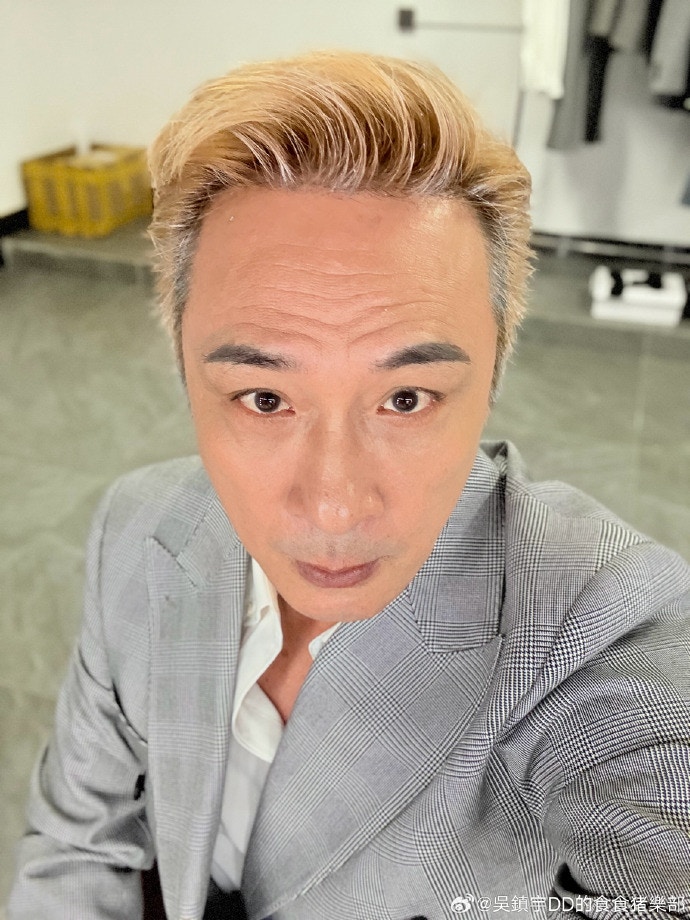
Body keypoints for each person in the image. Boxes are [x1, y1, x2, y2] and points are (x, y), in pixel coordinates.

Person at [8, 50, 690, 920]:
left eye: (406, 399)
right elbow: (78, 841)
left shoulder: (602, 619)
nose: (333, 504)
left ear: (492, 378)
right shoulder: (139, 526)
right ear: (184, 372)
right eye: (265, 399)